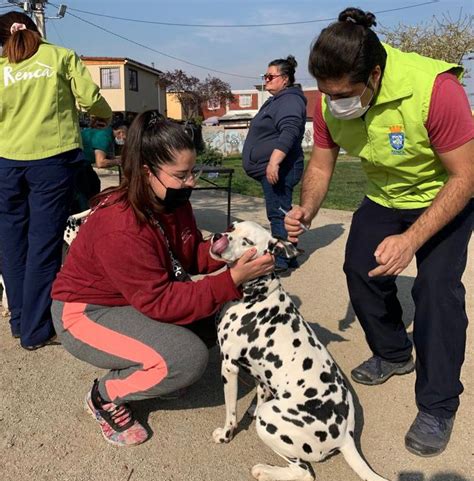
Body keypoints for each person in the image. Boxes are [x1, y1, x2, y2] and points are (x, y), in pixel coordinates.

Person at [285, 7, 473, 458]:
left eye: (345, 93)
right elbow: (321, 163)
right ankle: (393, 353)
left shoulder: (435, 89)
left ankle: (438, 404)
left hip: (444, 194)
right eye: (327, 94)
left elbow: (465, 177)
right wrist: (307, 209)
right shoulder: (329, 100)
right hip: (385, 197)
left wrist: (412, 240)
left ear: (374, 73)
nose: (336, 103)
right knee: (359, 270)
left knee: (436, 290)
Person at [51, 111, 275, 447]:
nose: (192, 182)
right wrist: (232, 278)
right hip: (85, 313)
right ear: (146, 171)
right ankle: (104, 395)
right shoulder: (121, 226)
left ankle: (158, 369)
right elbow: (161, 302)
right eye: (182, 175)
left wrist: (225, 252)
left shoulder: (172, 202)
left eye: (192, 172)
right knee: (187, 359)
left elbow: (185, 256)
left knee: (212, 317)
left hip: (130, 298)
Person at [0, 11, 112, 350]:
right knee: (43, 245)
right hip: (51, 160)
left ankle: (19, 321)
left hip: (5, 163)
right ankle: (35, 330)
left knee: (11, 244)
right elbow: (91, 99)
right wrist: (104, 117)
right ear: (34, 29)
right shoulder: (60, 57)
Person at [242, 55, 307, 272]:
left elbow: (289, 132)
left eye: (270, 76)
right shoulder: (279, 99)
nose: (266, 80)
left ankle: (280, 260)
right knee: (282, 211)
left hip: (281, 168)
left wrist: (274, 163)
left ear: (285, 79)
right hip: (274, 167)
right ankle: (290, 256)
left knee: (277, 212)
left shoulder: (289, 100)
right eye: (265, 76)